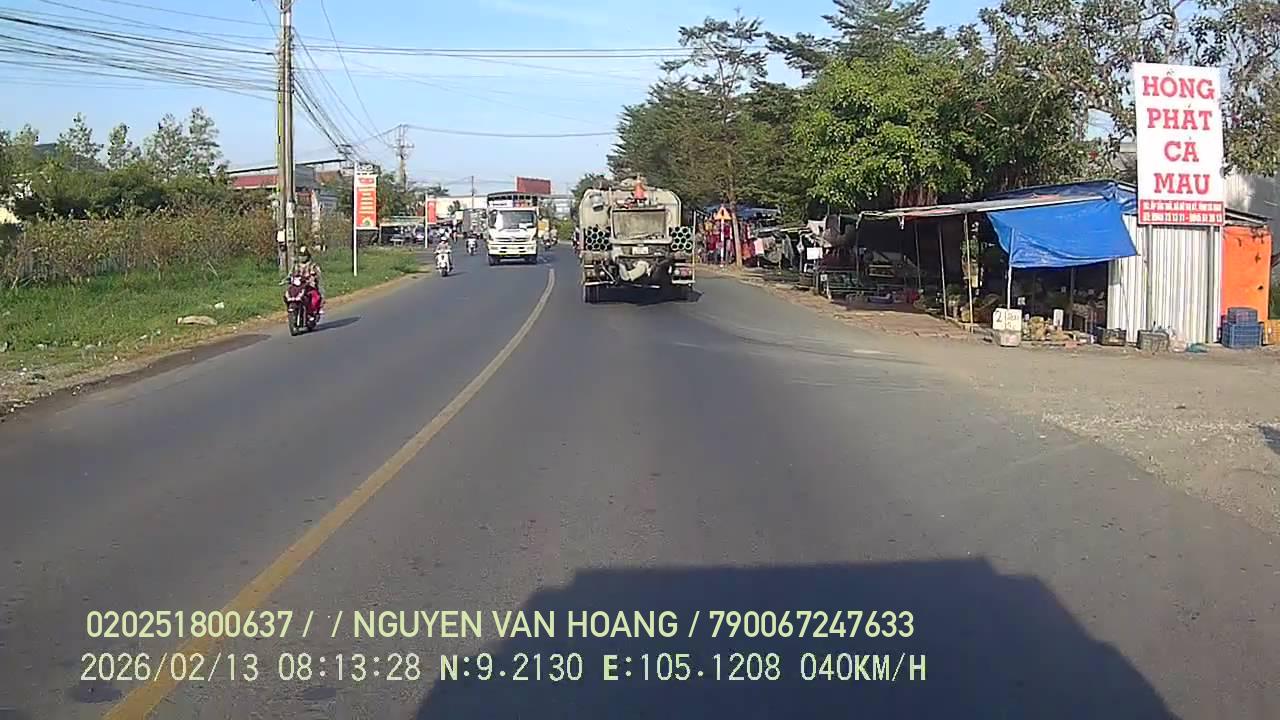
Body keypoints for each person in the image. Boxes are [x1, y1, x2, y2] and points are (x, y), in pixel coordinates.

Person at [294, 245, 324, 315]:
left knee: (315, 296)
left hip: (310, 285)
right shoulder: (296, 265)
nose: (302, 257)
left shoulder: (312, 265)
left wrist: (314, 277)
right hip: (299, 285)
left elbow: (318, 273)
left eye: (304, 255)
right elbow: (292, 273)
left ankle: (315, 310)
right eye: (301, 255)